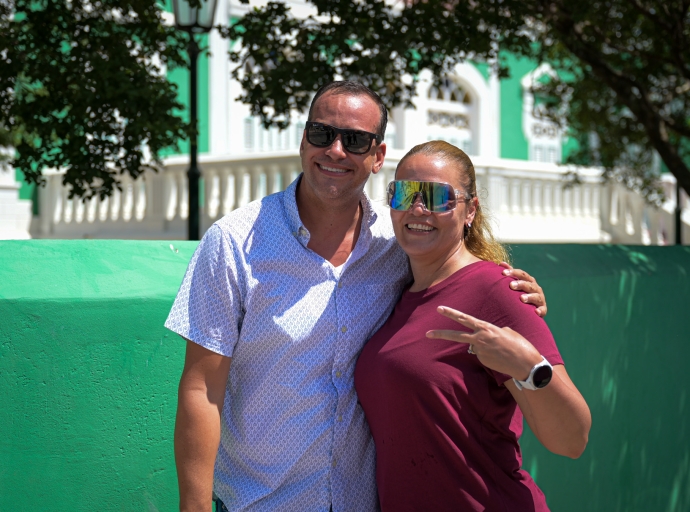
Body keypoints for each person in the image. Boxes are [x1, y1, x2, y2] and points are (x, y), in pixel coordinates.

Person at [165, 82, 549, 512]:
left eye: (355, 140)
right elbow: (201, 389)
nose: (335, 150)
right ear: (303, 140)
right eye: (321, 133)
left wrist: (511, 291)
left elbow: (457, 271)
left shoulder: (399, 238)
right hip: (262, 502)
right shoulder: (234, 242)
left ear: (378, 157)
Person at [354, 141, 591, 512]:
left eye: (437, 197)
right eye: (404, 193)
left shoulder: (495, 290)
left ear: (470, 211)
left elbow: (572, 440)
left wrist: (530, 367)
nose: (418, 208)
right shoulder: (395, 285)